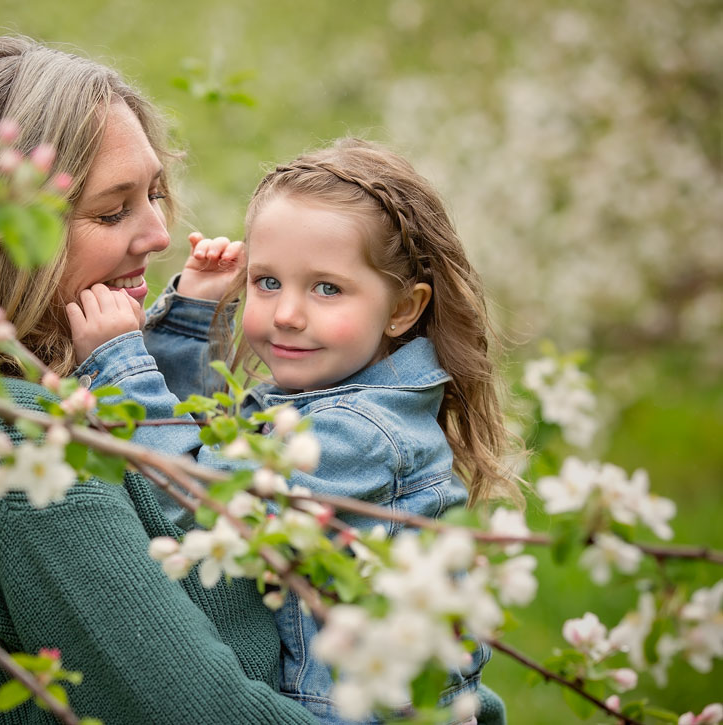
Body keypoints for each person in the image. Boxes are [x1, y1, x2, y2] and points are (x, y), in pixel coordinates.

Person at [0, 35, 322, 725]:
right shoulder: (1, 429)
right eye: (111, 210)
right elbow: (203, 711)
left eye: (155, 193)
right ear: (0, 233)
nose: (159, 233)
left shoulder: (94, 393)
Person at [65, 139, 518, 724]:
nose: (286, 314)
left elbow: (198, 493)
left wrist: (117, 364)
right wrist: (192, 323)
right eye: (267, 282)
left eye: (326, 288)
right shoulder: (330, 396)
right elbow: (203, 441)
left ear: (404, 309)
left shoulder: (359, 433)